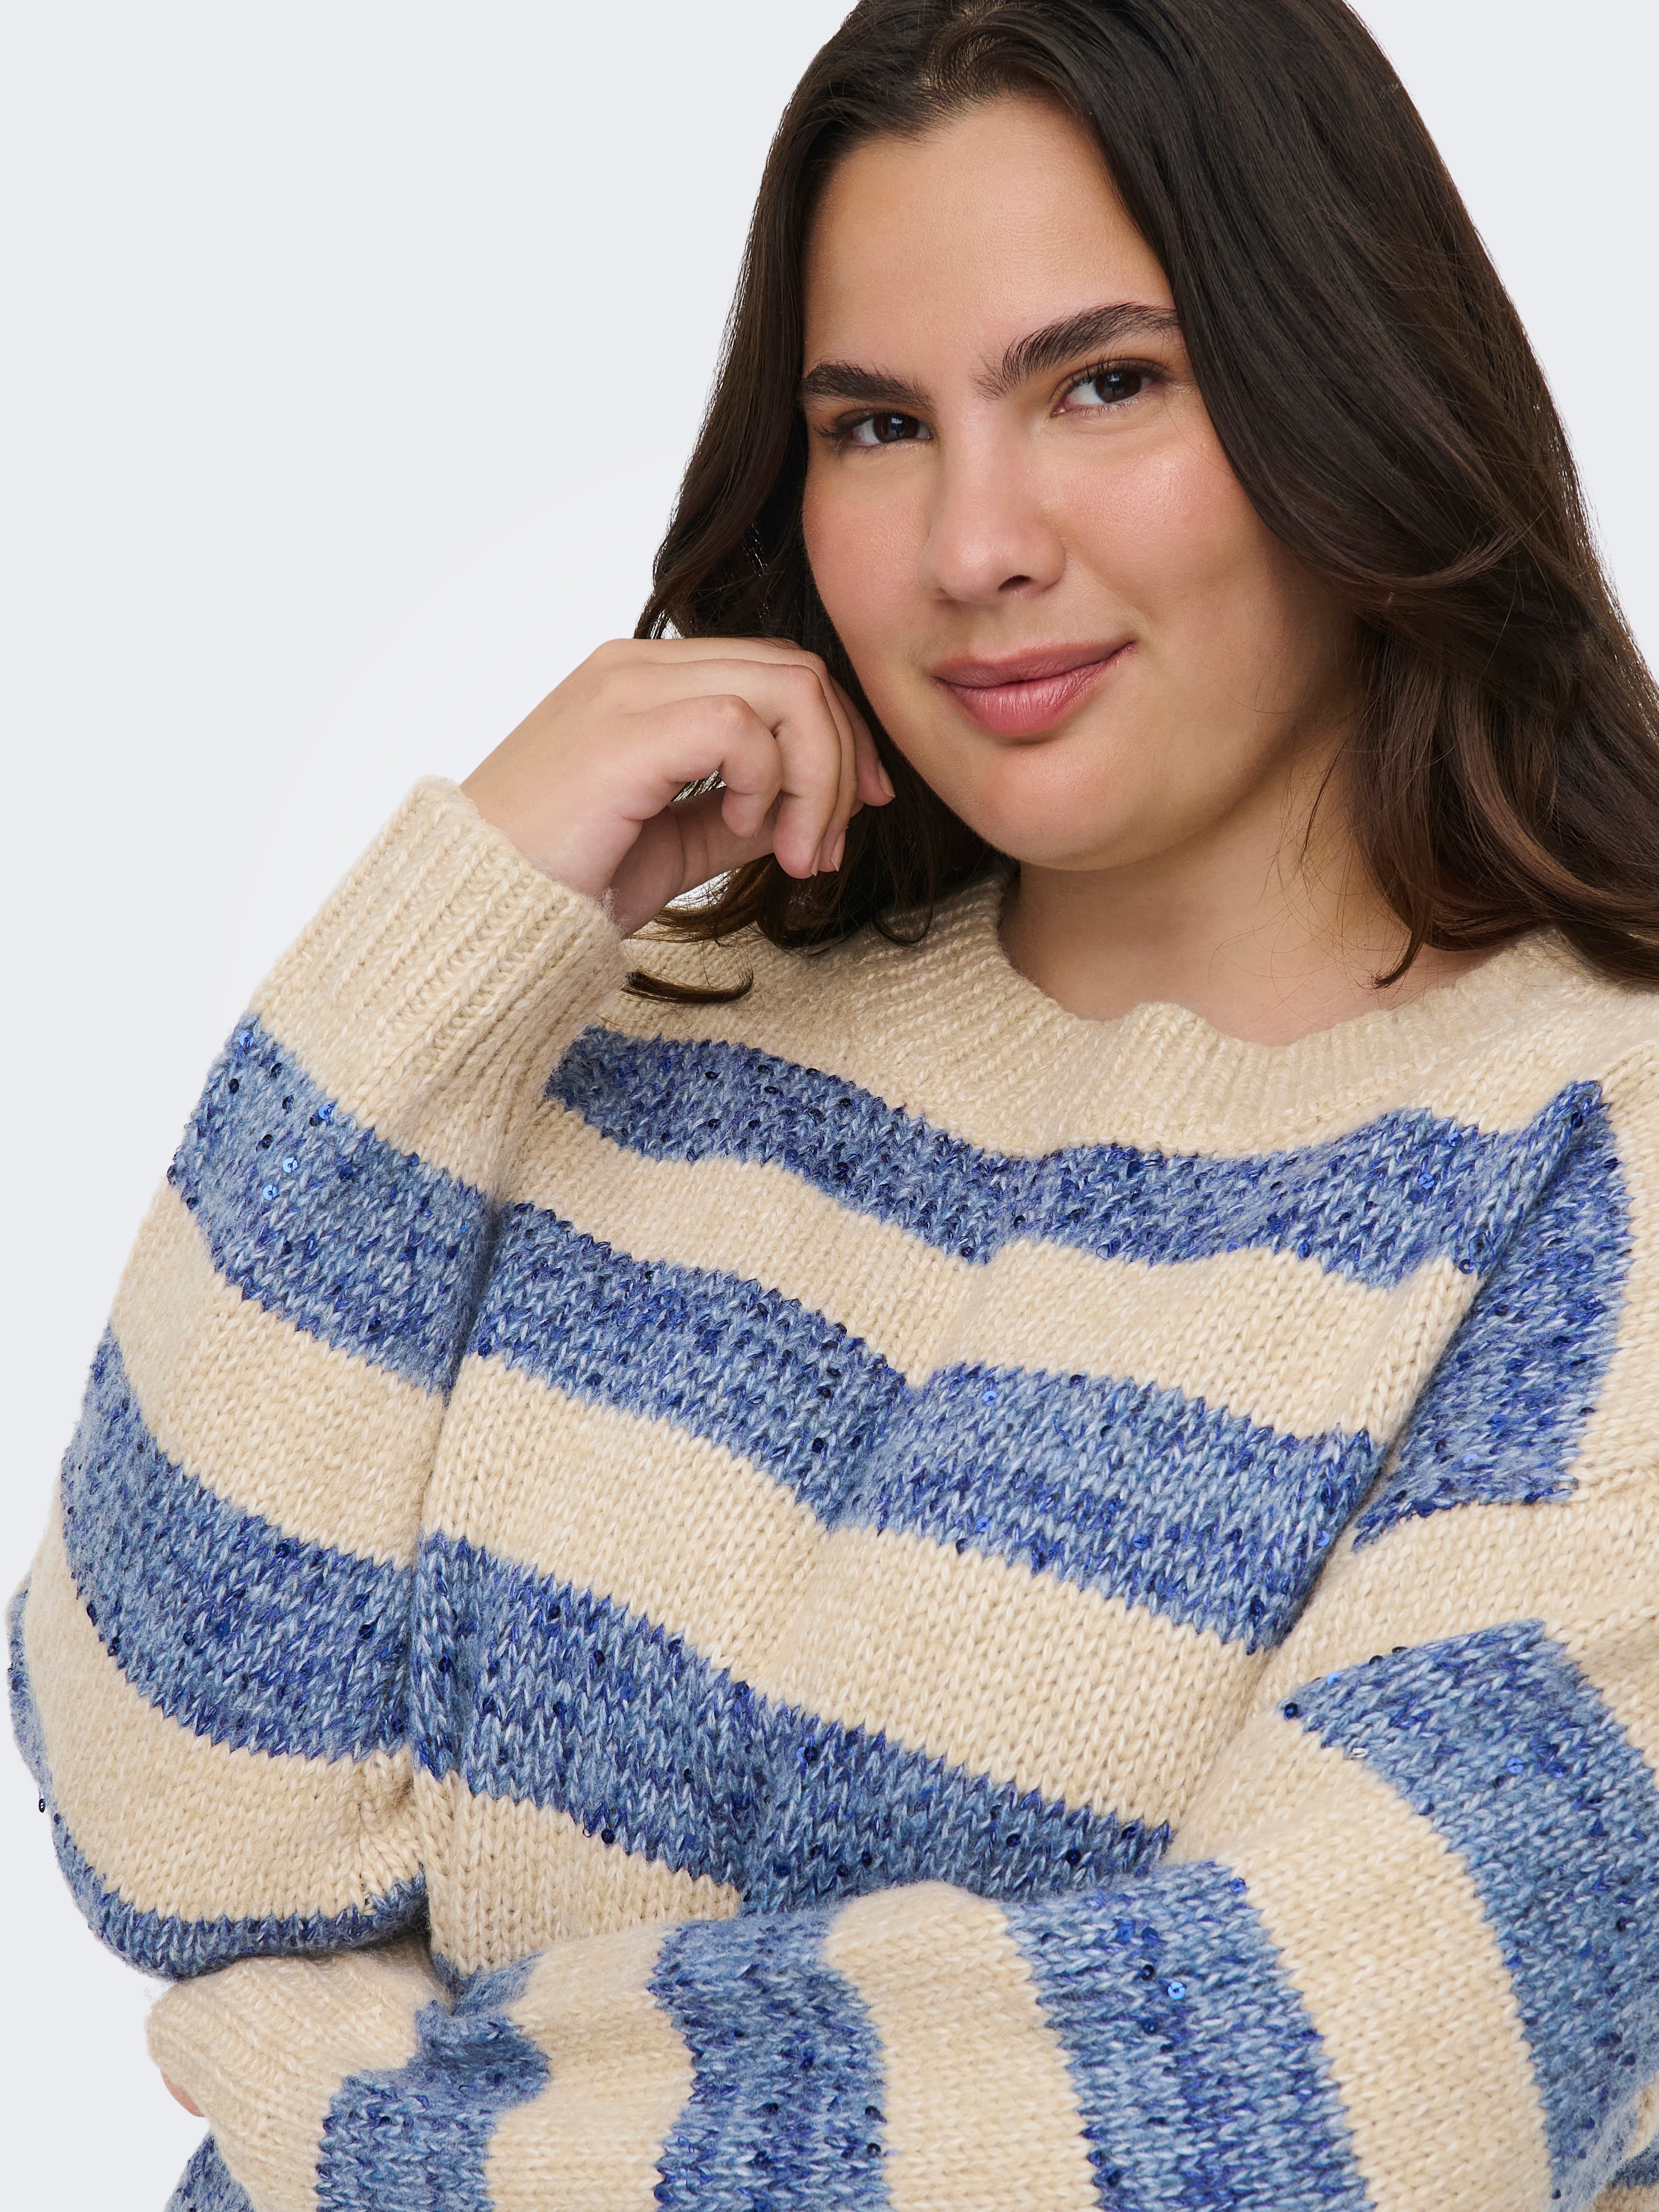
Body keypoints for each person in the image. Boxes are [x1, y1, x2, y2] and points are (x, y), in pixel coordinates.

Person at [11, 0, 1659, 2205]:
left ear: (1347, 384)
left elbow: (1312, 2109)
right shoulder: (647, 1025)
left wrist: (343, 2104)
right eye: (877, 424)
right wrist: (449, 944)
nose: (975, 544)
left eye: (1104, 384)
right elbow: (176, 1816)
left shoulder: (1600, 1159)